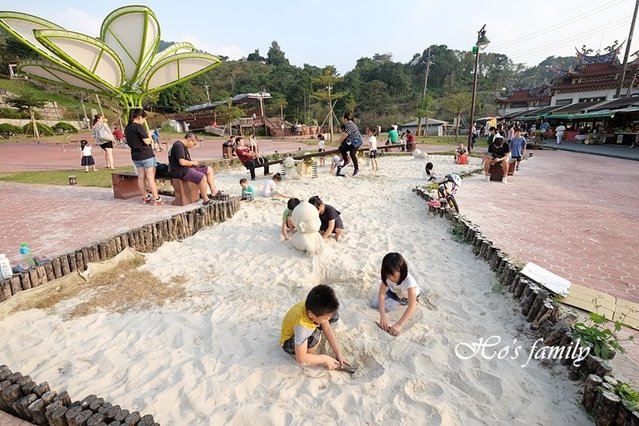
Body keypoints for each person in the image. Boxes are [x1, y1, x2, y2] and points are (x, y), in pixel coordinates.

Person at [279, 284, 350, 370]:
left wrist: (339, 354)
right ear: (311, 315)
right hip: (288, 341)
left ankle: (320, 323)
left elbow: (327, 328)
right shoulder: (303, 327)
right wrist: (325, 358)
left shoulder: (313, 306)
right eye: (325, 318)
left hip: (303, 325)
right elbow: (301, 359)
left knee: (334, 315)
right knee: (314, 339)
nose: (328, 319)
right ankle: (308, 348)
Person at [371, 252, 421, 337]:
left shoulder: (409, 282)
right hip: (393, 291)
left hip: (405, 297)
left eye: (395, 276)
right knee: (374, 303)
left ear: (402, 271)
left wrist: (399, 324)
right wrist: (382, 316)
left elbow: (412, 305)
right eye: (388, 275)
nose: (391, 278)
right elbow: (381, 294)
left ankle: (401, 305)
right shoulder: (387, 275)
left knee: (387, 306)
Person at [124, 108, 163, 205]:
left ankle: (145, 197)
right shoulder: (138, 127)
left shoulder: (127, 127)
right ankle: (156, 198)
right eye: (144, 119)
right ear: (140, 117)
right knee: (150, 177)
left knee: (141, 177)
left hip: (135, 155)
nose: (144, 121)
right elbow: (147, 141)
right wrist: (149, 135)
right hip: (146, 155)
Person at [168, 132, 219, 205]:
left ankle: (213, 190)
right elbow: (182, 162)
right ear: (189, 140)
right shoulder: (178, 145)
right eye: (194, 144)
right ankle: (205, 199)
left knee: (209, 169)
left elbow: (185, 160)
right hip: (179, 170)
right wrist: (193, 163)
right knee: (202, 177)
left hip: (187, 168)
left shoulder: (183, 146)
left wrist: (192, 162)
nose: (193, 146)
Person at [336, 112, 363, 177]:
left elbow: (345, 135)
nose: (343, 120)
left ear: (345, 119)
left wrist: (339, 140)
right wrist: (340, 140)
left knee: (352, 153)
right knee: (341, 148)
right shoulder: (348, 125)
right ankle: (346, 160)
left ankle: (356, 169)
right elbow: (345, 135)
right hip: (351, 142)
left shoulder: (350, 124)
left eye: (343, 119)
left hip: (356, 141)